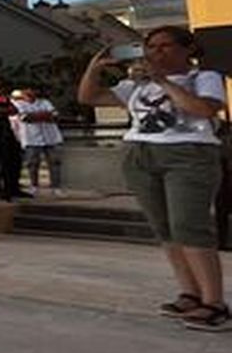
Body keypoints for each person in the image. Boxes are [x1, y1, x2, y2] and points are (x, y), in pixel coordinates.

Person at [80, 27, 228, 331]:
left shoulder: (204, 78)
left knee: (190, 225)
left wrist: (161, 80)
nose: (156, 53)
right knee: (165, 229)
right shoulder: (136, 85)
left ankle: (215, 303)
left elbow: (203, 109)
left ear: (188, 49)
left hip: (188, 154)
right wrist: (93, 70)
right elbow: (89, 97)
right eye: (151, 47)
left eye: (165, 46)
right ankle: (190, 292)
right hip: (141, 154)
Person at [14, 86, 64, 195]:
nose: (31, 91)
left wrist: (37, 116)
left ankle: (56, 187)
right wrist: (45, 115)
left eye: (33, 89)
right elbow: (26, 118)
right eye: (28, 89)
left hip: (51, 137)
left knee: (54, 162)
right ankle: (34, 186)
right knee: (33, 163)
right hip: (31, 138)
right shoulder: (19, 104)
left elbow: (55, 115)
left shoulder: (45, 102)